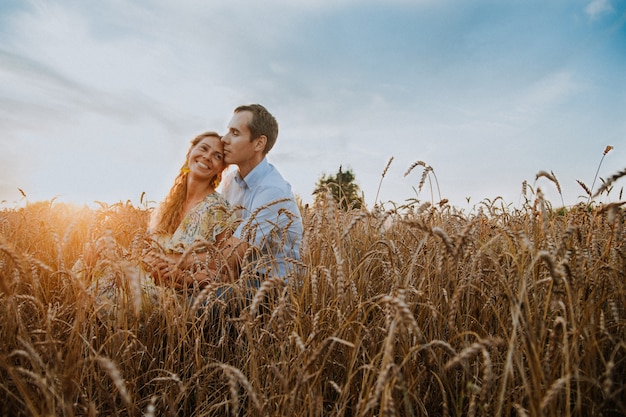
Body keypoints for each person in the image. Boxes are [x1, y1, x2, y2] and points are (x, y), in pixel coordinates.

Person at [80, 132, 246, 320]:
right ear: (190, 152)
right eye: (203, 148)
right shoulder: (168, 205)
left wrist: (182, 278)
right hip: (144, 278)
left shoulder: (218, 208)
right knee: (98, 251)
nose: (208, 156)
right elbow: (147, 253)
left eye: (217, 156)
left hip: (174, 297)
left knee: (111, 287)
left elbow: (226, 271)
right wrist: (115, 253)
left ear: (220, 169)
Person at [220, 104, 303, 283]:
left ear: (259, 143)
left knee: (197, 303)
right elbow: (221, 238)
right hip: (241, 274)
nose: (224, 139)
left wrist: (178, 264)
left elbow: (233, 253)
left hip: (275, 286)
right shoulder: (230, 181)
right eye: (227, 131)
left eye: (234, 133)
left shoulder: (272, 190)